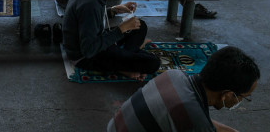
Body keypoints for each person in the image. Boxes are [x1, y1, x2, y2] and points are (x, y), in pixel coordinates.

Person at [107, 46, 260, 132]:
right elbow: (196, 122)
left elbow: (190, 119)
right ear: (227, 95)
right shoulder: (195, 121)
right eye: (244, 97)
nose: (242, 101)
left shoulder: (174, 76)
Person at [62, 0, 160, 80]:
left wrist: (113, 10)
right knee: (153, 62)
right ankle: (126, 62)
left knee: (140, 25)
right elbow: (89, 50)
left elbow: (90, 19)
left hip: (95, 39)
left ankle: (128, 56)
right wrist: (121, 29)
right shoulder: (90, 5)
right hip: (85, 57)